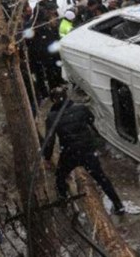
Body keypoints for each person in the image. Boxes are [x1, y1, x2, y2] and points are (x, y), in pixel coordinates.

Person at [44, 87, 125, 215]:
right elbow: (91, 120)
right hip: (87, 150)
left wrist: (47, 158)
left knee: (60, 177)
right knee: (101, 178)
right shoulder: (81, 108)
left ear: (53, 100)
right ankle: (118, 204)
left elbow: (49, 140)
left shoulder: (52, 117)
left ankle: (65, 202)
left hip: (69, 152)